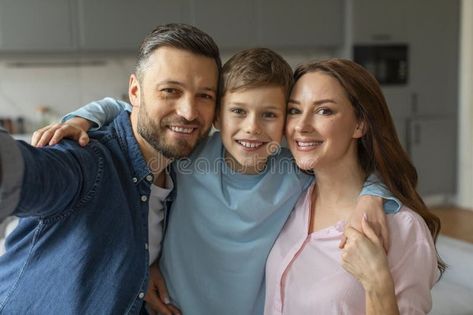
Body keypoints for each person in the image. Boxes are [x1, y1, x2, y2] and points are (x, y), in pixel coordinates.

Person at [35, 49, 401, 315]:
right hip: (169, 307)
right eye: (238, 112)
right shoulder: (188, 153)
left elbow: (358, 167)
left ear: (285, 122)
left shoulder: (295, 169)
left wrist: (371, 196)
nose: (252, 128)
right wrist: (81, 119)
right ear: (216, 118)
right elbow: (127, 109)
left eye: (270, 114)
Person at [0, 23, 221, 314]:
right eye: (170, 91)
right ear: (135, 91)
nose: (189, 111)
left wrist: (146, 271)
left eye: (204, 95)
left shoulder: (181, 171)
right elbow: (30, 174)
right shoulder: (88, 160)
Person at [264, 59, 445, 315]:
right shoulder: (287, 196)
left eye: (324, 111)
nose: (301, 126)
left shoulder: (403, 228)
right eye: (294, 110)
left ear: (360, 124)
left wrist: (376, 282)